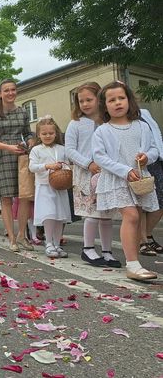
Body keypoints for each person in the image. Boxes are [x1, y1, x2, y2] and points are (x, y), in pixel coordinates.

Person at [93, 81, 159, 281]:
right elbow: (99, 157)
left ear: (129, 100)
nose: (117, 102)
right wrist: (125, 170)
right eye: (111, 100)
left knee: (137, 218)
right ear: (105, 106)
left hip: (139, 179)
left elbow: (154, 149)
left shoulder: (142, 126)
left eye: (121, 98)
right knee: (131, 216)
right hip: (117, 179)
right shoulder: (103, 131)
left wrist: (147, 157)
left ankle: (135, 262)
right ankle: (132, 264)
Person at [65, 82, 119, 267]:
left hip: (106, 173)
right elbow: (70, 150)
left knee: (107, 214)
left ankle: (107, 251)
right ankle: (87, 248)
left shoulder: (108, 122)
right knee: (92, 213)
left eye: (89, 99)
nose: (85, 104)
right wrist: (88, 163)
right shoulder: (76, 124)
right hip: (86, 174)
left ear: (99, 99)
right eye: (81, 101)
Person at [0, 79, 35, 252]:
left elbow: (28, 133)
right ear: (0, 94)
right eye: (6, 90)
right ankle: (12, 238)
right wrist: (8, 147)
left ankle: (22, 235)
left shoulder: (22, 111)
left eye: (13, 89)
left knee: (24, 197)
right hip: (2, 157)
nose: (10, 93)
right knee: (6, 199)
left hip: (20, 157)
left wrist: (29, 142)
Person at [29, 116, 71, 258]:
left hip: (60, 187)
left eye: (51, 133)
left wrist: (65, 169)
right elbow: (32, 167)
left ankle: (57, 244)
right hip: (44, 186)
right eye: (44, 133)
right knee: (49, 214)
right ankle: (48, 243)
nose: (48, 136)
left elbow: (67, 164)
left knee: (59, 216)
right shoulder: (36, 150)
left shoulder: (62, 149)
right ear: (39, 135)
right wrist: (47, 166)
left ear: (56, 133)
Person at [139, 108, 163, 255]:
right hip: (137, 163)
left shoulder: (144, 113)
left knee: (160, 200)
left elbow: (156, 136)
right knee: (141, 201)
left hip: (154, 160)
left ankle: (147, 234)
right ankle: (143, 240)